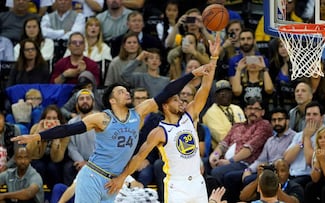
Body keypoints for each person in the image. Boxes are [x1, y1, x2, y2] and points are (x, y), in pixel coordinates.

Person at [12, 56, 213, 202]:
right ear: (112, 99)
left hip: (114, 181)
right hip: (93, 175)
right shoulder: (101, 118)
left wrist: (192, 74)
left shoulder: (139, 112)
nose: (127, 93)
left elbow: (166, 92)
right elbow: (67, 130)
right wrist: (37, 136)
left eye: (127, 90)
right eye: (121, 91)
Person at [109, 32, 220, 203]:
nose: (181, 101)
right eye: (176, 99)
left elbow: (205, 88)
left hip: (198, 183)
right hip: (177, 187)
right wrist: (122, 177)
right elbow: (139, 157)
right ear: (166, 106)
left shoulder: (189, 116)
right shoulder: (159, 132)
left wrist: (214, 58)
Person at [206, 97, 273, 187]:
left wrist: (229, 161)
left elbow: (249, 149)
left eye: (256, 109)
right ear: (245, 111)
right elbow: (223, 144)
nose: (252, 111)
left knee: (217, 172)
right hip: (225, 160)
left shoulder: (264, 125)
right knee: (203, 164)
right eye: (250, 108)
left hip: (245, 163)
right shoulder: (237, 126)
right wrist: (215, 155)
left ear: (263, 112)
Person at [26, 105, 69, 189]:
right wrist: (39, 134)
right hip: (39, 158)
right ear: (43, 119)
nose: (51, 121)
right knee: (39, 166)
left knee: (52, 167)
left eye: (54, 118)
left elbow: (57, 158)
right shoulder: (35, 127)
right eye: (48, 118)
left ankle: (54, 194)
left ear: (59, 120)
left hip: (56, 161)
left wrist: (57, 137)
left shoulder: (65, 132)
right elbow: (30, 153)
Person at [284, 101, 325, 188]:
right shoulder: (299, 135)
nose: (311, 117)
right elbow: (286, 159)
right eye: (308, 114)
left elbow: (310, 161)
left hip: (309, 176)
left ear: (321, 117)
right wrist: (302, 141)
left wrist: (307, 138)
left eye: (315, 114)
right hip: (292, 174)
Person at [62, 89, 97, 185]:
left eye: (88, 98)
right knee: (68, 168)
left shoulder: (101, 120)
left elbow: (105, 147)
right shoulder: (72, 123)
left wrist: (89, 163)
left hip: (98, 161)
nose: (85, 101)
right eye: (81, 99)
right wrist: (81, 162)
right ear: (77, 104)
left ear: (93, 102)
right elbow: (71, 147)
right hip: (79, 161)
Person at [202, 79, 246, 149]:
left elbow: (246, 129)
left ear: (231, 94)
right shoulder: (210, 113)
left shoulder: (237, 109)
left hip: (242, 147)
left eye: (226, 91)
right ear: (215, 96)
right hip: (222, 151)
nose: (223, 94)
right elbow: (222, 138)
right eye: (220, 92)